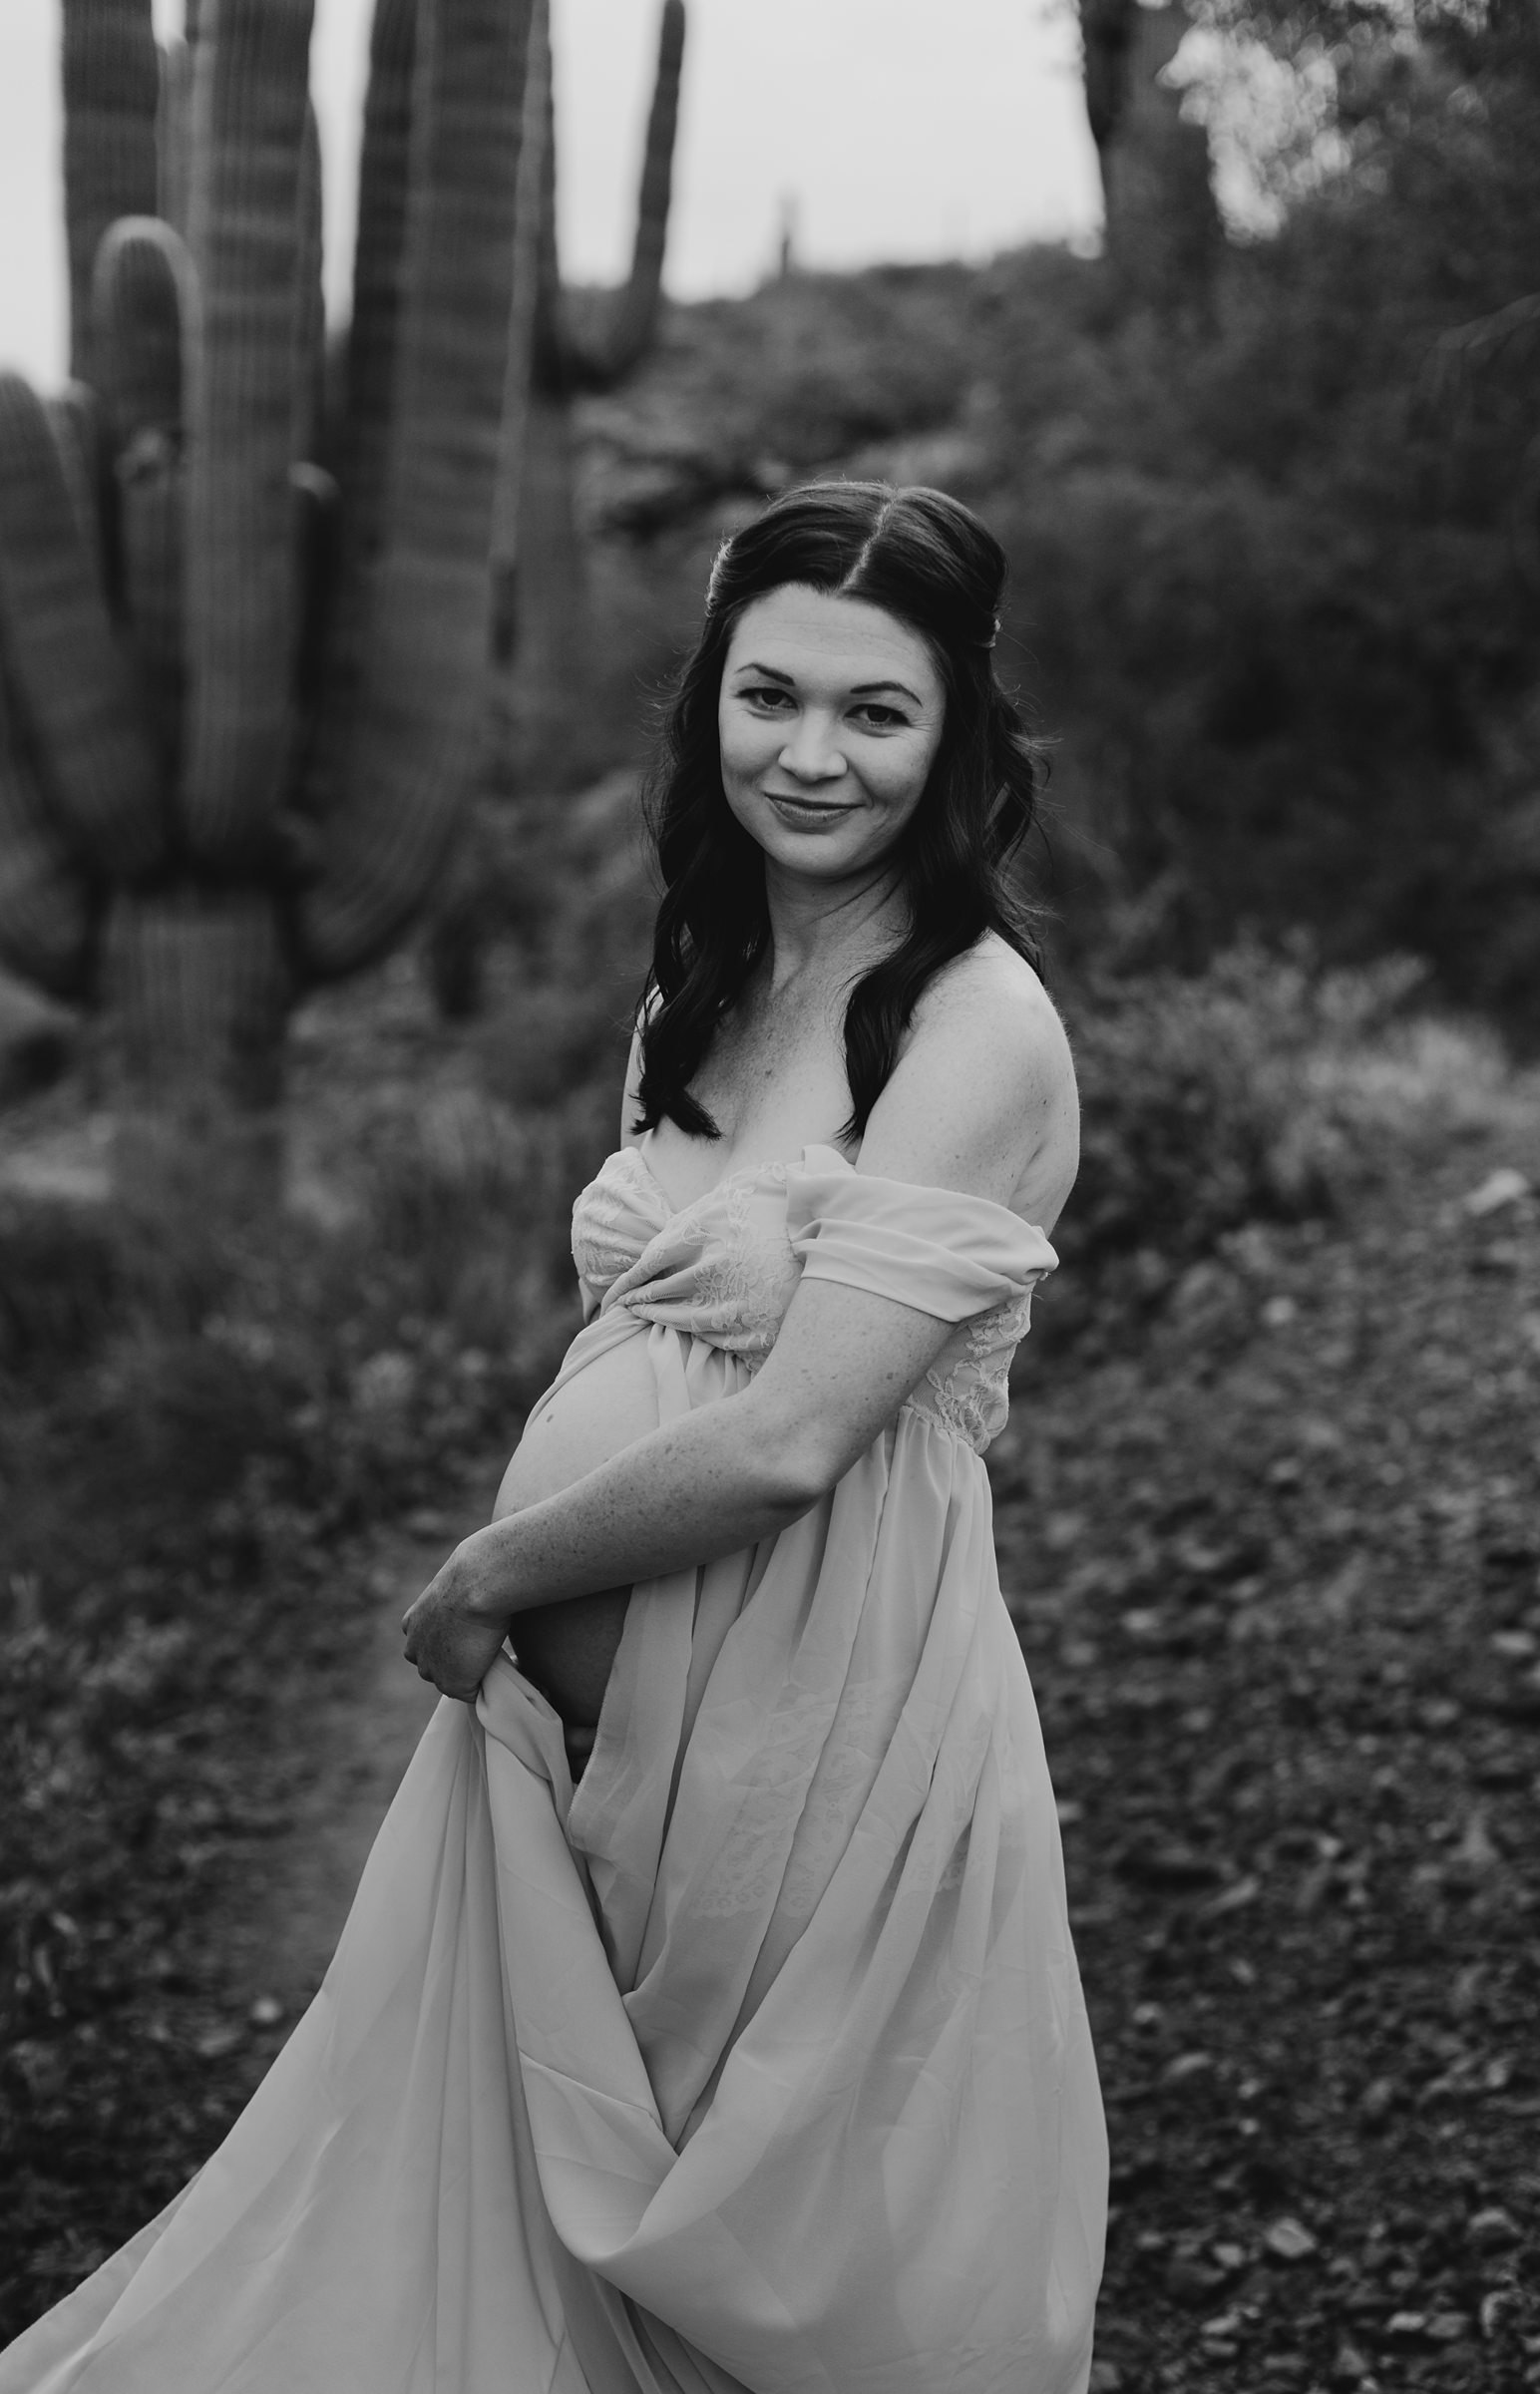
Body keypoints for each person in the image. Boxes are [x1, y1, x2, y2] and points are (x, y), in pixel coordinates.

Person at [0, 482, 1107, 2394]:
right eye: (770, 695)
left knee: (788, 2278)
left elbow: (791, 1442)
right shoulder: (705, 982)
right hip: (587, 1749)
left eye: (876, 710)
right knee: (548, 2281)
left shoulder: (975, 1027)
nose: (811, 753)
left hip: (824, 1735)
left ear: (955, 742)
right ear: (708, 707)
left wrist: (491, 1572)